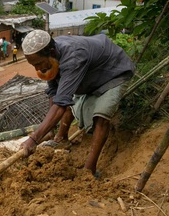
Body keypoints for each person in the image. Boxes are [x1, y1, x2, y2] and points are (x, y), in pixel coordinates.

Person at [19, 30, 135, 175]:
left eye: (38, 63)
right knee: (65, 100)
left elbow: (60, 105)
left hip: (113, 71)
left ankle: (89, 169)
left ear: (52, 53)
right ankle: (60, 138)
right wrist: (49, 130)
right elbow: (54, 93)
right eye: (33, 65)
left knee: (101, 117)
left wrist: (34, 140)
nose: (37, 69)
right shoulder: (52, 56)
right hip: (90, 75)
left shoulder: (73, 58)